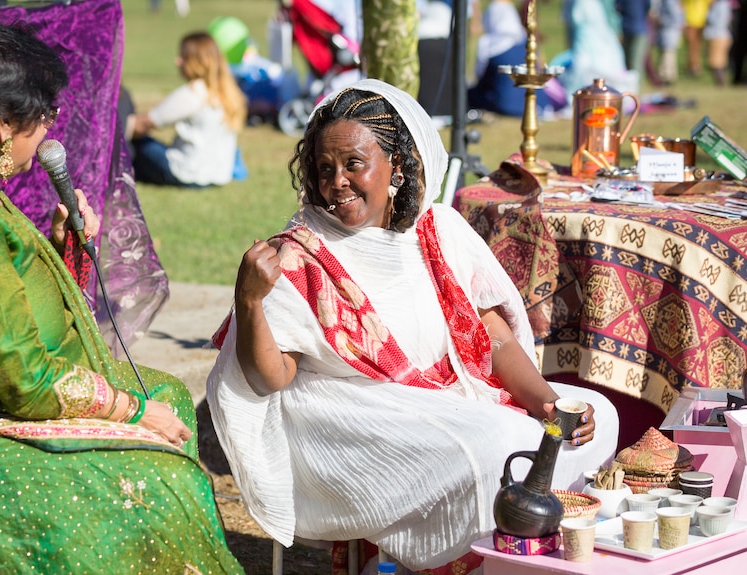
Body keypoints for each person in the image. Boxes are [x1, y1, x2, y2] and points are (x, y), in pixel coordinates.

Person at [206, 79, 618, 573]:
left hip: (453, 397)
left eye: (353, 164)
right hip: (355, 416)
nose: (336, 181)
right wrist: (249, 301)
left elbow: (496, 336)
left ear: (396, 165)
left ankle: (527, 559)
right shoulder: (298, 255)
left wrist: (545, 403)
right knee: (494, 445)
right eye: (323, 168)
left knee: (599, 414)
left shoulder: (438, 229)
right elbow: (268, 378)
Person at [0, 19, 243, 575]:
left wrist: (64, 249)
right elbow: (20, 380)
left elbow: (1, 297)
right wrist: (131, 412)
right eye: (43, 115)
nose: (49, 130)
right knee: (158, 478)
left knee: (168, 391)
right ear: (4, 123)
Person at [131, 31, 248, 187]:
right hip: (220, 175)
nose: (177, 61)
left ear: (197, 62)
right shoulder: (228, 92)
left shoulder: (193, 93)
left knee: (135, 143)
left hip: (188, 174)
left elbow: (141, 125)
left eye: (183, 57)